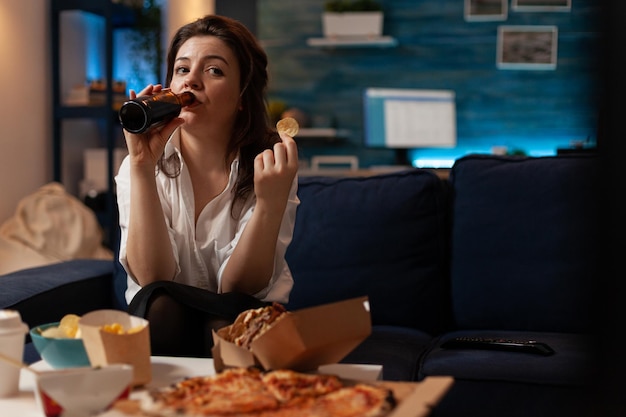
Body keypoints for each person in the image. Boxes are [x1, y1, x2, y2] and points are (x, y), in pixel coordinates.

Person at [114, 15, 300, 356]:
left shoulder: (270, 167)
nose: (192, 81)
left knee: (223, 326)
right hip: (163, 323)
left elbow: (239, 288)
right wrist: (141, 166)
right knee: (163, 308)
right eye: (182, 70)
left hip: (241, 324)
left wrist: (270, 204)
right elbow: (152, 278)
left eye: (214, 70)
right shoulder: (138, 165)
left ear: (243, 95)